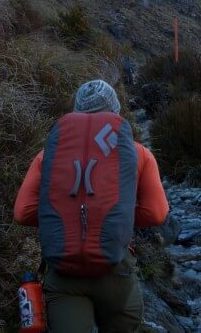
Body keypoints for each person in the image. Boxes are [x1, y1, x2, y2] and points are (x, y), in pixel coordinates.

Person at [14, 80, 169, 333]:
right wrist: (115, 216)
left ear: (76, 112)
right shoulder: (138, 153)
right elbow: (157, 212)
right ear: (115, 112)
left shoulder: (48, 156)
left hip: (63, 268)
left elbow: (22, 213)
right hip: (115, 267)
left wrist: (64, 216)